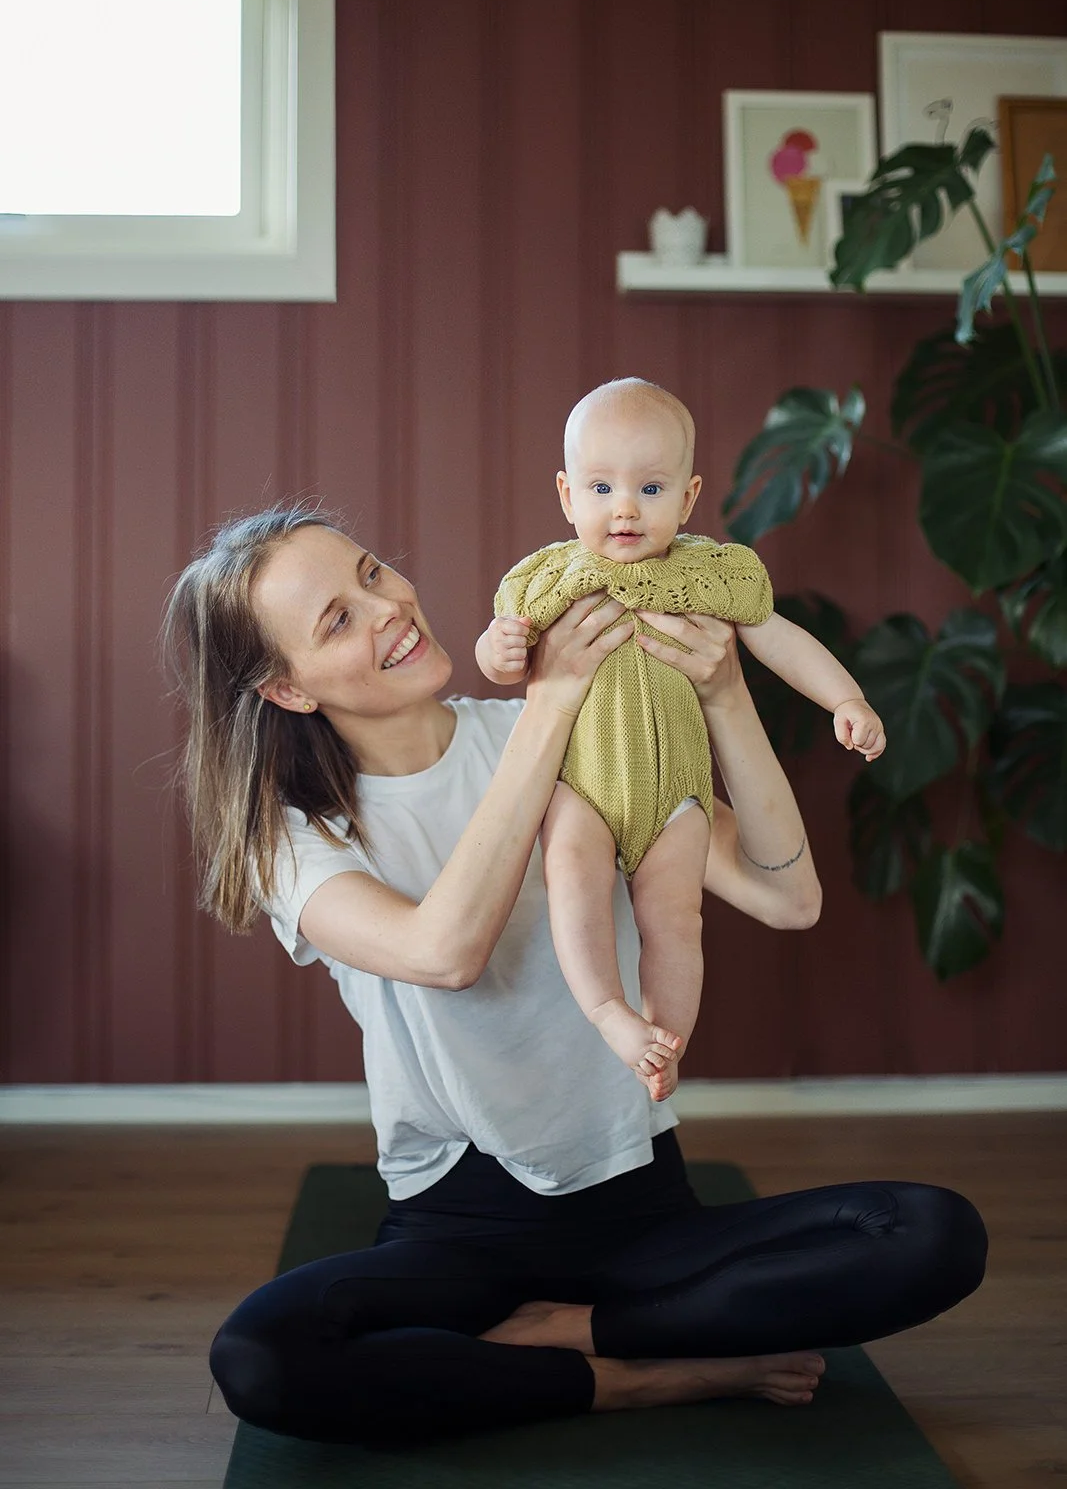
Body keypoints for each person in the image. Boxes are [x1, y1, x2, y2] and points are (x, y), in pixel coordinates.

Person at [163, 503, 986, 1450]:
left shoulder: (588, 731)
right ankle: (637, 1378)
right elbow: (444, 953)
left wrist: (723, 697)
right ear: (288, 688)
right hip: (456, 1220)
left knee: (929, 1234)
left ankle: (582, 1334)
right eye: (337, 619)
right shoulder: (295, 837)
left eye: (373, 573)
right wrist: (548, 709)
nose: (387, 606)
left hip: (637, 1200)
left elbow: (787, 897)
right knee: (261, 1359)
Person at [477, 377, 885, 1099]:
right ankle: (608, 1010)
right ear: (568, 497)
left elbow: (780, 639)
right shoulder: (550, 578)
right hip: (582, 788)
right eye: (601, 488)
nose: (625, 507)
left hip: (677, 796)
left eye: (651, 488)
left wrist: (844, 698)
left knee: (674, 921)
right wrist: (500, 652)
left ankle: (664, 1043)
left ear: (690, 499)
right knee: (572, 877)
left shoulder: (710, 573)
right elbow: (500, 644)